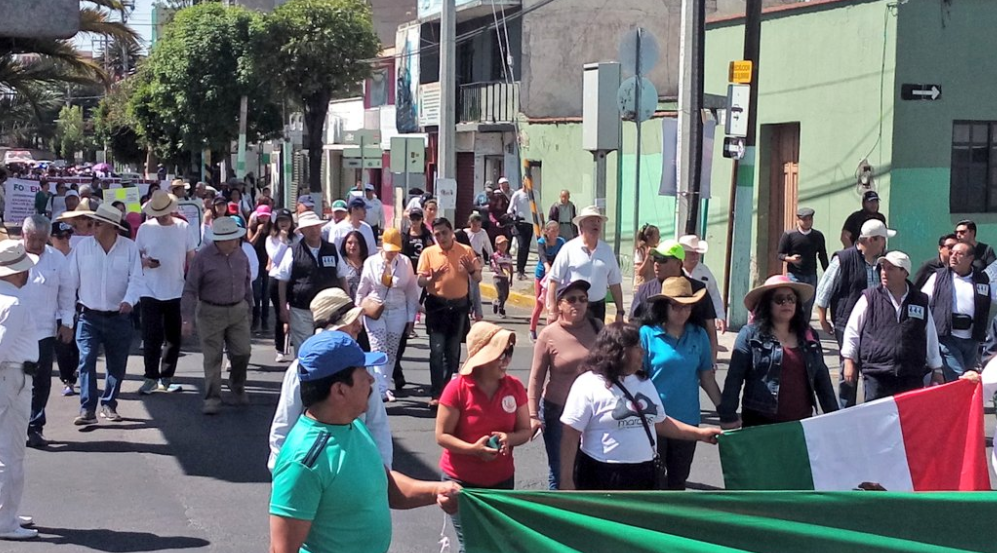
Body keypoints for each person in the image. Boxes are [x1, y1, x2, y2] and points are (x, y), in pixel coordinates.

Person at [269, 331, 460, 553]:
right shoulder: (303, 461)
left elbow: (381, 483)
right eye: (363, 373)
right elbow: (281, 549)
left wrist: (437, 490)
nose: (371, 379)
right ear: (340, 390)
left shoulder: (353, 426)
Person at [559, 322, 721, 491]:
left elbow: (660, 422)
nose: (642, 352)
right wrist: (566, 479)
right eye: (636, 347)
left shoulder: (643, 382)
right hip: (602, 473)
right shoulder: (589, 384)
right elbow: (570, 435)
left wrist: (700, 434)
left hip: (644, 473)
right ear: (619, 351)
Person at [268, 288, 393, 472]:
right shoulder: (301, 368)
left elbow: (377, 423)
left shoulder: (365, 366)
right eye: (352, 322)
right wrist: (281, 472)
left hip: (357, 468)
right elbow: (284, 425)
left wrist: (384, 472)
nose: (359, 326)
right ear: (332, 328)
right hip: (312, 470)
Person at [435, 321, 531, 552]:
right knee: (471, 543)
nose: (506, 359)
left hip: (501, 481)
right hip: (461, 482)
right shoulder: (457, 388)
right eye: (501, 352)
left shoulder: (515, 387)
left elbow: (525, 431)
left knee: (495, 541)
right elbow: (442, 435)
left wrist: (509, 438)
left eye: (509, 352)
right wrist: (473, 450)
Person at [718, 275, 838, 429]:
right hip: (760, 424)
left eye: (791, 299)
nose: (786, 303)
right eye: (779, 299)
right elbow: (734, 379)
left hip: (800, 425)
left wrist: (834, 416)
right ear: (767, 304)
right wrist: (728, 417)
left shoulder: (809, 336)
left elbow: (822, 379)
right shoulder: (749, 335)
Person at [639, 277, 722, 490]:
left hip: (688, 420)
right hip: (653, 420)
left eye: (688, 306)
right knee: (651, 481)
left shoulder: (699, 334)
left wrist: (725, 410)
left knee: (678, 481)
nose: (682, 312)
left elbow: (707, 378)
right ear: (663, 306)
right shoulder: (646, 334)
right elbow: (637, 380)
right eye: (676, 306)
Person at [66, 204, 143, 424]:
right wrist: (67, 315)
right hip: (88, 316)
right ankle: (87, 408)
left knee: (116, 364)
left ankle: (109, 404)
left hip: (118, 317)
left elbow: (136, 279)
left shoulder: (129, 248)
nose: (92, 227)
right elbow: (71, 282)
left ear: (112, 227)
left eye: (97, 223)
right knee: (86, 359)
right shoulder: (82, 249)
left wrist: (129, 300)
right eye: (92, 222)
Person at [842, 251, 942, 402]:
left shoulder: (919, 300)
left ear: (904, 272)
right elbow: (852, 331)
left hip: (911, 374)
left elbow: (930, 336)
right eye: (883, 268)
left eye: (890, 269)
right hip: (877, 373)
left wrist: (937, 368)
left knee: (908, 422)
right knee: (877, 421)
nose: (884, 272)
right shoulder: (870, 297)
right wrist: (849, 360)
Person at [815, 218, 894, 408]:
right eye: (883, 239)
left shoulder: (882, 263)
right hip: (846, 322)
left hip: (875, 325)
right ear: (872, 240)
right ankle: (845, 410)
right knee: (848, 367)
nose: (885, 244)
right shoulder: (843, 259)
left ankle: (870, 408)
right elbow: (824, 290)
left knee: (872, 366)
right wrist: (823, 318)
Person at [528, 280, 599, 489]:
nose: (578, 304)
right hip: (558, 411)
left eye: (583, 299)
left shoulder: (598, 328)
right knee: (561, 471)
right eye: (571, 299)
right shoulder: (549, 335)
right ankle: (557, 514)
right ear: (559, 305)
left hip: (594, 413)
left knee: (587, 469)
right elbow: (536, 378)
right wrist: (533, 416)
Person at [181, 217, 254, 415]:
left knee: (243, 352)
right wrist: (186, 318)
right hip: (210, 312)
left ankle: (236, 384)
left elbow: (246, 283)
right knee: (212, 358)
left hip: (238, 309)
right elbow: (189, 289)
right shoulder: (203, 258)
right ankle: (212, 398)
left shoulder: (241, 255)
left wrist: (250, 308)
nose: (236, 241)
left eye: (236, 238)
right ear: (219, 240)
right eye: (231, 238)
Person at [135, 191, 196, 395]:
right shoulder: (145, 228)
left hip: (176, 287)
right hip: (149, 288)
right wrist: (145, 263)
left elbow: (191, 257)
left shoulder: (183, 227)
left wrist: (193, 284)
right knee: (151, 335)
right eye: (157, 212)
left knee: (173, 337)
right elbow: (136, 256)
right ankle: (150, 377)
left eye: (164, 212)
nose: (160, 216)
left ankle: (167, 378)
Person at [21, 216, 74, 448]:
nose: (38, 245)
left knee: (40, 380)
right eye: (34, 239)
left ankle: (35, 426)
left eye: (43, 240)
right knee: (13, 379)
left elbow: (67, 292)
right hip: (13, 330)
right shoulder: (10, 255)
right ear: (24, 235)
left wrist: (67, 322)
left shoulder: (56, 259)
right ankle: (12, 425)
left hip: (43, 331)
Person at [0, 240, 41, 540]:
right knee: (11, 453)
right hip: (12, 378)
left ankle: (7, 512)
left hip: (10, 376)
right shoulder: (14, 305)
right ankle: (5, 521)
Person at [417, 217, 481, 407]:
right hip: (437, 306)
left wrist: (471, 270)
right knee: (436, 350)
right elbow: (420, 281)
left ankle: (449, 393)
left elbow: (477, 278)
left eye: (444, 233)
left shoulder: (465, 251)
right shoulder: (429, 253)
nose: (441, 237)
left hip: (459, 307)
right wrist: (431, 278)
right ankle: (436, 393)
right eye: (437, 234)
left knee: (453, 352)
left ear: (451, 232)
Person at [356, 228, 420, 403]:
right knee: (378, 348)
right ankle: (379, 389)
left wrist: (410, 319)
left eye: (395, 250)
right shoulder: (371, 262)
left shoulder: (405, 263)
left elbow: (411, 293)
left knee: (391, 351)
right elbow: (362, 291)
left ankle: (384, 385)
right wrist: (357, 316)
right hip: (375, 310)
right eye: (389, 249)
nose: (392, 253)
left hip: (397, 311)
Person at [631, 241, 720, 364]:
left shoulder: (698, 290)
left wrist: (711, 363)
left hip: (690, 364)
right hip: (653, 365)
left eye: (663, 259)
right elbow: (633, 327)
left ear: (678, 262)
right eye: (655, 259)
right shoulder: (645, 291)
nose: (657, 264)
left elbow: (710, 328)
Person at [276, 212, 348, 354]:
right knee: (304, 349)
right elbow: (282, 280)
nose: (314, 230)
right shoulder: (293, 251)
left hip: (329, 309)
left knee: (326, 349)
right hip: (301, 309)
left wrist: (347, 304)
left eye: (316, 227)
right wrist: (283, 308)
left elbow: (342, 277)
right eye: (309, 228)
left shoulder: (331, 249)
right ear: (302, 231)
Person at [921, 241, 994, 381]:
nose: (953, 257)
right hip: (947, 337)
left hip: (972, 338)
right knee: (958, 375)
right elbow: (923, 300)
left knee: (968, 376)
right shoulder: (938, 277)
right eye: (952, 253)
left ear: (970, 259)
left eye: (959, 254)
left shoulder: (982, 279)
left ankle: (958, 403)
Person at [546, 206, 624, 323]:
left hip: (597, 309)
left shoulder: (607, 250)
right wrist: (552, 309)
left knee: (596, 340)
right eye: (591, 221)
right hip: (573, 306)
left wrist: (620, 311)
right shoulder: (569, 248)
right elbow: (553, 280)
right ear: (581, 225)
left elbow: (615, 283)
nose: (596, 224)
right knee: (572, 340)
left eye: (598, 221)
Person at [777, 207, 829, 317]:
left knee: (808, 306)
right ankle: (793, 329)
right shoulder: (789, 235)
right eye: (804, 219)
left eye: (810, 219)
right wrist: (790, 259)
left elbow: (822, 255)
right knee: (795, 304)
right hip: (794, 275)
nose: (807, 222)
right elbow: (780, 254)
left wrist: (827, 272)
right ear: (798, 220)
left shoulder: (817, 236)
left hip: (811, 275)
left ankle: (804, 329)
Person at [49, 221, 79, 396]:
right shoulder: (47, 257)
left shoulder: (77, 255)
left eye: (68, 235)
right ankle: (67, 379)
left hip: (78, 308)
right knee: (62, 348)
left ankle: (73, 372)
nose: (65, 239)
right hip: (56, 310)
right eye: (60, 236)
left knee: (77, 347)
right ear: (51, 238)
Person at [266, 209, 298, 362]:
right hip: (276, 278)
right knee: (280, 313)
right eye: (281, 220)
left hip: (294, 278)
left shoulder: (298, 237)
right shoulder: (271, 240)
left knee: (296, 312)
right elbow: (276, 259)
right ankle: (280, 348)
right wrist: (283, 242)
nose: (284, 223)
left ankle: (294, 343)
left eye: (287, 220)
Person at [680, 234, 727, 333]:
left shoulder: (704, 270)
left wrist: (720, 316)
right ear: (683, 254)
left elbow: (714, 294)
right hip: (679, 317)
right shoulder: (676, 270)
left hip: (701, 318)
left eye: (697, 253)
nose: (696, 256)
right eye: (692, 254)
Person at [529, 221, 565, 341]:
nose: (555, 233)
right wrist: (547, 267)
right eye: (552, 230)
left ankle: (552, 332)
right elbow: (542, 256)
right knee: (539, 304)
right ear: (547, 231)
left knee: (555, 304)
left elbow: (564, 256)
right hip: (541, 276)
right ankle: (532, 329)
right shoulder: (541, 242)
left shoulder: (561, 242)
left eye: (557, 230)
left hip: (555, 277)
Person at [247, 205, 272, 331]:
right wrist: (258, 232)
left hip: (268, 263)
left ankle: (265, 321)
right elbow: (250, 244)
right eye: (262, 216)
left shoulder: (273, 227)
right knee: (256, 293)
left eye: (266, 217)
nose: (264, 219)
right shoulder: (252, 227)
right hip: (256, 262)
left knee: (266, 294)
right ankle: (255, 319)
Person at [507, 183, 533, 280]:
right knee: (521, 246)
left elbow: (538, 208)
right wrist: (514, 216)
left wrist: (541, 222)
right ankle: (519, 270)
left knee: (526, 247)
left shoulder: (534, 194)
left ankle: (522, 269)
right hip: (519, 224)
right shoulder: (517, 194)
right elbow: (509, 209)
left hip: (530, 224)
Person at [339, 230, 367, 300]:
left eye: (356, 243)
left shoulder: (369, 263)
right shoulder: (340, 263)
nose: (353, 245)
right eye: (349, 243)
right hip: (346, 304)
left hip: (366, 304)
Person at [490, 235, 514, 317]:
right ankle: (501, 310)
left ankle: (496, 302)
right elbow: (493, 265)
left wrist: (511, 278)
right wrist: (499, 268)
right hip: (497, 277)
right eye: (501, 244)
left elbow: (511, 267)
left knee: (506, 295)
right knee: (501, 295)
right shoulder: (494, 256)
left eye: (505, 244)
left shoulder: (508, 256)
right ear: (497, 245)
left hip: (505, 277)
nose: (504, 246)